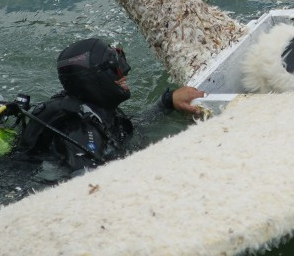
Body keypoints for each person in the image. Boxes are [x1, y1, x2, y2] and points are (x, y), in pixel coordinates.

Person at [14, 38, 204, 172]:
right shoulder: (80, 134)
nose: (125, 71)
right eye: (115, 66)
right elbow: (86, 185)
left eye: (122, 59)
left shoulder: (99, 112)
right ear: (93, 79)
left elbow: (130, 129)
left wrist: (167, 102)